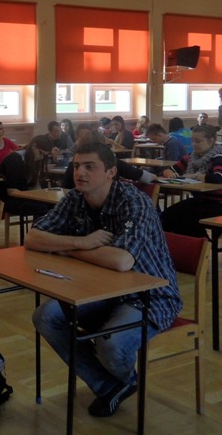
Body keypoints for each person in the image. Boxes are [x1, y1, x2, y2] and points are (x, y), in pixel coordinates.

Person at [28, 142, 181, 418]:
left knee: (110, 346)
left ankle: (117, 379)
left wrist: (67, 248)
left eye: (90, 167)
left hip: (150, 297)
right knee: (46, 317)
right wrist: (82, 242)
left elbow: (122, 261)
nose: (80, 173)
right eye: (77, 166)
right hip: (102, 291)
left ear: (111, 172)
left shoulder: (133, 202)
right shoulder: (76, 199)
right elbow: (33, 238)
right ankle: (111, 384)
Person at [160, 125, 222, 238]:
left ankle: (201, 245)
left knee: (187, 220)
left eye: (198, 141)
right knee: (167, 216)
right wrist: (170, 174)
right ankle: (170, 244)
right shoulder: (191, 157)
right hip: (200, 201)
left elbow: (217, 178)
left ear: (211, 141)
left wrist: (195, 176)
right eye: (192, 141)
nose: (194, 144)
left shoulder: (219, 158)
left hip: (221, 204)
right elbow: (168, 170)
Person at [61, 130, 156, 189]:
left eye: (89, 167)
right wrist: (153, 176)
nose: (81, 172)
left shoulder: (74, 165)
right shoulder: (114, 163)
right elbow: (142, 176)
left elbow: (64, 188)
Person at [0, 135, 56, 219]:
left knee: (54, 205)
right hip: (8, 200)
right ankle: (38, 227)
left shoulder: (33, 159)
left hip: (23, 196)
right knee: (42, 207)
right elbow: (11, 191)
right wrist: (33, 196)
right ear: (34, 146)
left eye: (45, 155)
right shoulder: (15, 159)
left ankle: (44, 226)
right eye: (41, 153)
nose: (42, 157)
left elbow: (34, 186)